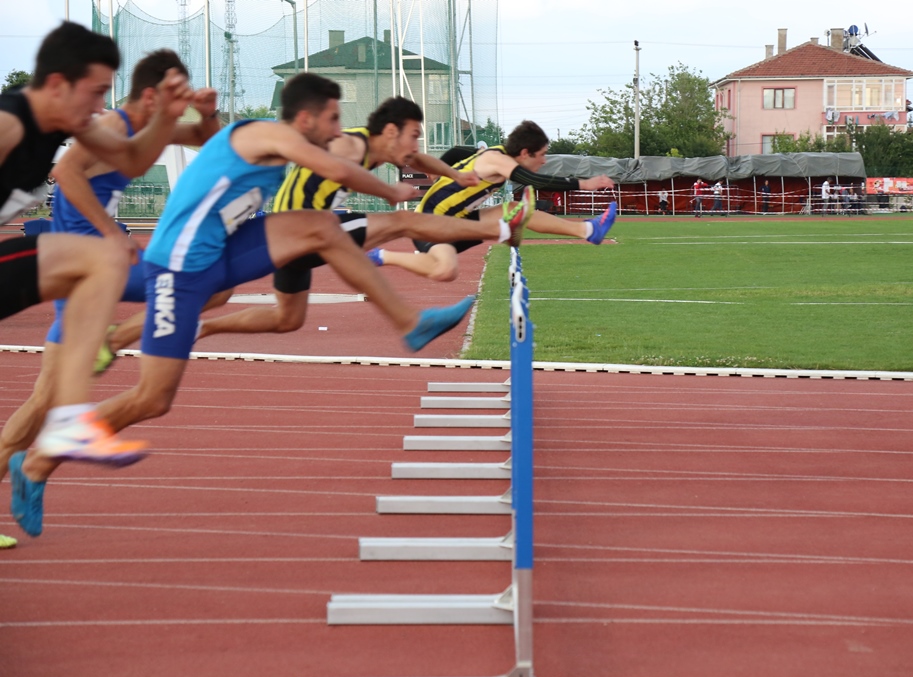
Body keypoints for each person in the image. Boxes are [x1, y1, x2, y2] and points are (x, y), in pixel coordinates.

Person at [7, 73, 477, 537]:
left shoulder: (264, 141)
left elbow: (208, 141)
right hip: (180, 269)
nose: (339, 131)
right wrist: (392, 191)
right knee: (153, 399)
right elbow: (334, 169)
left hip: (220, 252)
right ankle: (40, 458)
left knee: (320, 227)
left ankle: (410, 322)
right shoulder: (266, 133)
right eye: (333, 120)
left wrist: (207, 114)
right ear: (307, 117)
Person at [1, 50, 225, 498]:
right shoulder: (110, 128)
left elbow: (207, 140)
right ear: (150, 95)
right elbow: (64, 171)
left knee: (45, 400)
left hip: (92, 271)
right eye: (176, 94)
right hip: (84, 268)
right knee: (211, 281)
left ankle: (110, 340)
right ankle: (111, 340)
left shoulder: (146, 131)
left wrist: (206, 113)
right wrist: (110, 234)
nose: (181, 103)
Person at [193, 96, 535, 341]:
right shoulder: (349, 145)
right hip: (300, 229)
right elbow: (336, 167)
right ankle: (502, 230)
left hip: (298, 233)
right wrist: (387, 192)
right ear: (390, 131)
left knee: (287, 318)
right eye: (413, 134)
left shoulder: (379, 147)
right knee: (403, 221)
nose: (415, 144)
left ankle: (202, 327)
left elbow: (419, 160)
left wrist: (456, 176)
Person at [371, 120, 617, 283]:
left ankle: (588, 230)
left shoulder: (491, 154)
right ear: (524, 153)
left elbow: (457, 151)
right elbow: (533, 180)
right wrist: (583, 184)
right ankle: (382, 256)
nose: (544, 160)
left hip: (457, 220)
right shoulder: (497, 160)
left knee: (514, 209)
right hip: (430, 225)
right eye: (541, 155)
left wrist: (441, 169)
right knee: (445, 270)